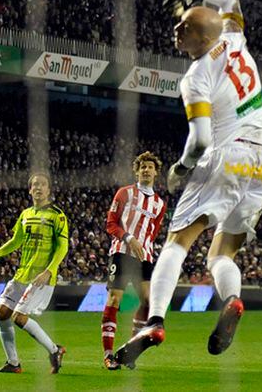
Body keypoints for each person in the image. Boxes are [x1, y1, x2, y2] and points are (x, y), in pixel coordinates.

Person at [115, 0, 262, 366]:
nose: (176, 30)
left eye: (184, 26)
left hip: (226, 153)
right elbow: (230, 0)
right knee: (222, 253)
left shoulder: (195, 77)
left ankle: (154, 322)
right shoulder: (235, 37)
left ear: (203, 37)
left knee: (177, 242)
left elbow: (201, 139)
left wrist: (181, 168)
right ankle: (233, 301)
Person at [0, 173, 69, 374]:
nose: (38, 187)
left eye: (42, 185)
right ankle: (13, 363)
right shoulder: (26, 214)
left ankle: (55, 350)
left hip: (42, 278)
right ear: (29, 189)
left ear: (48, 190)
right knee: (1, 314)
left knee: (19, 317)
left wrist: (49, 270)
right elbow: (15, 241)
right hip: (22, 275)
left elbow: (63, 246)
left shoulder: (57, 215)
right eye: (35, 184)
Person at [101, 151, 166, 370]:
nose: (146, 170)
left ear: (156, 172)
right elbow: (111, 223)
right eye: (143, 167)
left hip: (144, 257)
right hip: (121, 252)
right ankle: (108, 355)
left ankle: (130, 350)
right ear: (136, 171)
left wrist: (143, 246)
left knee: (148, 302)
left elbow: (153, 232)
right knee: (113, 301)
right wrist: (129, 238)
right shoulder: (124, 193)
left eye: (150, 167)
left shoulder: (159, 204)